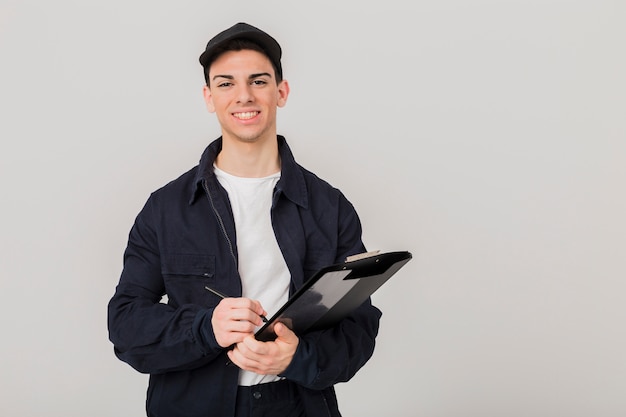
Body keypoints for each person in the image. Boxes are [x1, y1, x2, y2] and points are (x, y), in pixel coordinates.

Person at [107, 22, 382, 417]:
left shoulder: (329, 206)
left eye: (258, 81)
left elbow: (360, 328)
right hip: (193, 404)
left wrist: (297, 358)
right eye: (225, 84)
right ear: (208, 97)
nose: (243, 96)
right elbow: (125, 324)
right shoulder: (165, 208)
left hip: (296, 404)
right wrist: (205, 328)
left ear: (281, 91)